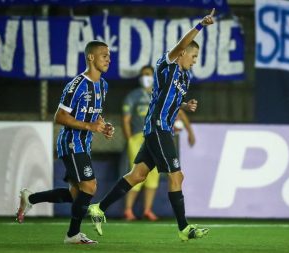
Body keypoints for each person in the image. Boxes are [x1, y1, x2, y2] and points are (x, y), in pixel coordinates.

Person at [88, 9, 216, 241]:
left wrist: (185, 105)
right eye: (193, 56)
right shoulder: (167, 64)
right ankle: (184, 228)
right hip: (158, 128)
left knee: (137, 174)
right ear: (181, 54)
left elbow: (170, 100)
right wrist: (200, 26)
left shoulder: (186, 77)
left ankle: (99, 208)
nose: (195, 61)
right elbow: (180, 44)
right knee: (177, 176)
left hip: (161, 128)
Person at [16, 40, 114, 244]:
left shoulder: (103, 86)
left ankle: (30, 198)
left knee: (76, 194)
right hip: (71, 142)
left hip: (83, 144)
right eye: (104, 55)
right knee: (90, 186)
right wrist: (89, 127)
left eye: (109, 55)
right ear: (91, 57)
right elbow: (59, 117)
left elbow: (94, 116)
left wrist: (103, 126)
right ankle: (72, 235)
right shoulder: (77, 84)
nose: (108, 59)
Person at [122, 65, 160, 221]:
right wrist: (130, 138)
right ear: (140, 77)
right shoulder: (133, 96)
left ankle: (147, 210)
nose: (147, 77)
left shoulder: (158, 94)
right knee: (136, 173)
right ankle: (128, 210)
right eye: (144, 74)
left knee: (153, 175)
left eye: (149, 74)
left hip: (155, 138)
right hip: (138, 138)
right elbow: (125, 119)